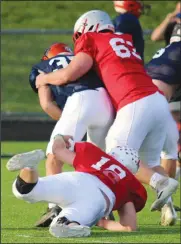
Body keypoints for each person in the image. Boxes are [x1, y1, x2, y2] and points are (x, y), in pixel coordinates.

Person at [35, 10, 178, 212]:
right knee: (150, 161)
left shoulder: (90, 38)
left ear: (86, 28)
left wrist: (44, 79)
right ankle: (168, 209)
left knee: (115, 156)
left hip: (136, 100)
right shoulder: (124, 40)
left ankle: (160, 183)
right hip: (157, 100)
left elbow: (70, 73)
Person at [29, 42, 114, 227]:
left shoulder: (42, 67)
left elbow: (47, 104)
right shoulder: (81, 58)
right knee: (101, 161)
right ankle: (105, 208)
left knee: (54, 153)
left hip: (81, 100)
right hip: (106, 102)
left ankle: (54, 208)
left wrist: (68, 120)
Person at [6, 135, 147, 238]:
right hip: (99, 198)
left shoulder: (98, 157)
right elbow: (129, 227)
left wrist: (60, 137)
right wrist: (102, 223)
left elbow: (58, 150)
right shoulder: (129, 183)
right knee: (62, 223)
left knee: (27, 191)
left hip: (78, 179)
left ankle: (30, 168)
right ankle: (68, 224)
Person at [146, 23, 181, 225]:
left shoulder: (166, 51)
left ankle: (166, 202)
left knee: (127, 155)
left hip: (139, 102)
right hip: (155, 103)